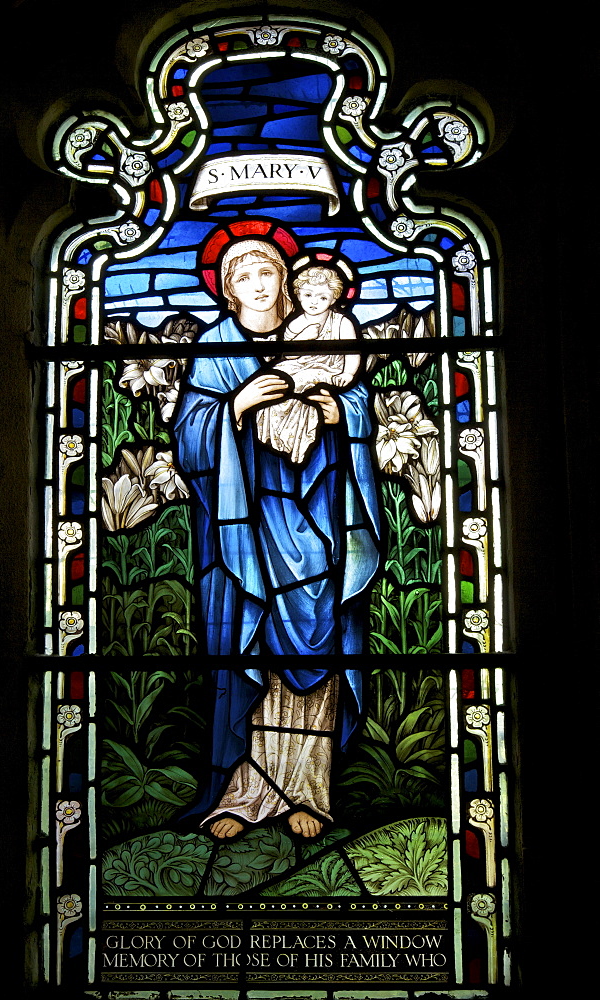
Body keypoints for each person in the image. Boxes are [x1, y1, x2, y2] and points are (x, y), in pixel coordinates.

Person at [174, 238, 380, 837]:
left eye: (270, 271)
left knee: (318, 642)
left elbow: (359, 402)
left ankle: (310, 792)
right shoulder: (215, 350)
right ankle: (243, 795)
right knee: (250, 648)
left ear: (288, 279)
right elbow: (189, 438)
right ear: (227, 288)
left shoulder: (317, 332)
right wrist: (235, 405)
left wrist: (342, 414)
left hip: (317, 513)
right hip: (241, 534)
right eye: (245, 275)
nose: (260, 283)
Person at [255, 265, 361, 464]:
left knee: (301, 381)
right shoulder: (294, 323)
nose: (314, 302)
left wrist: (347, 374)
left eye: (322, 297)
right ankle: (276, 430)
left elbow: (352, 352)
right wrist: (302, 339)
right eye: (308, 295)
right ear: (299, 295)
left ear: (334, 299)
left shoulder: (341, 322)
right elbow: (289, 357)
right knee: (275, 376)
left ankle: (297, 438)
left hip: (328, 370)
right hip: (297, 366)